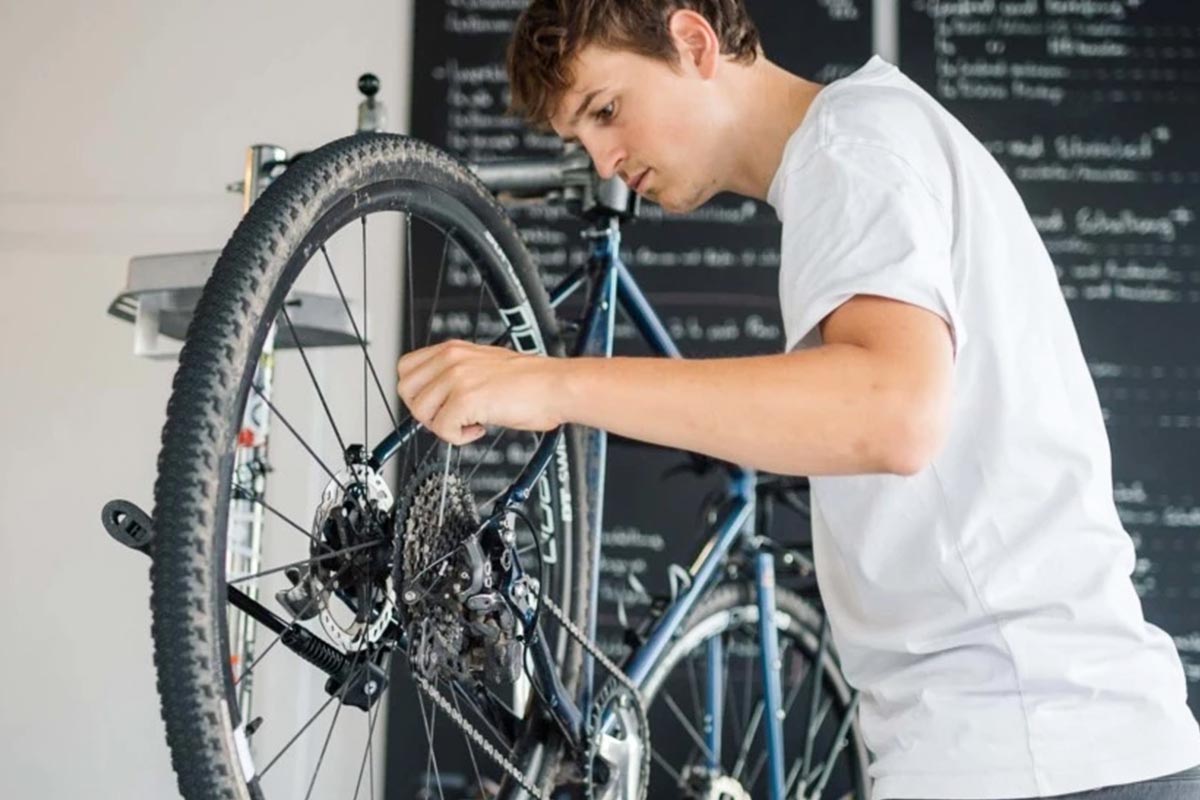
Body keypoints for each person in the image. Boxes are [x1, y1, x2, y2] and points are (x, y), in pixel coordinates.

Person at [395, 1, 1200, 797]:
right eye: (581, 138)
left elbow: (892, 410)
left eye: (607, 109)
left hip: (1030, 748)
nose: (604, 160)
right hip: (1043, 742)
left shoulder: (850, 147)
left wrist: (553, 385)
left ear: (693, 41)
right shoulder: (863, 144)